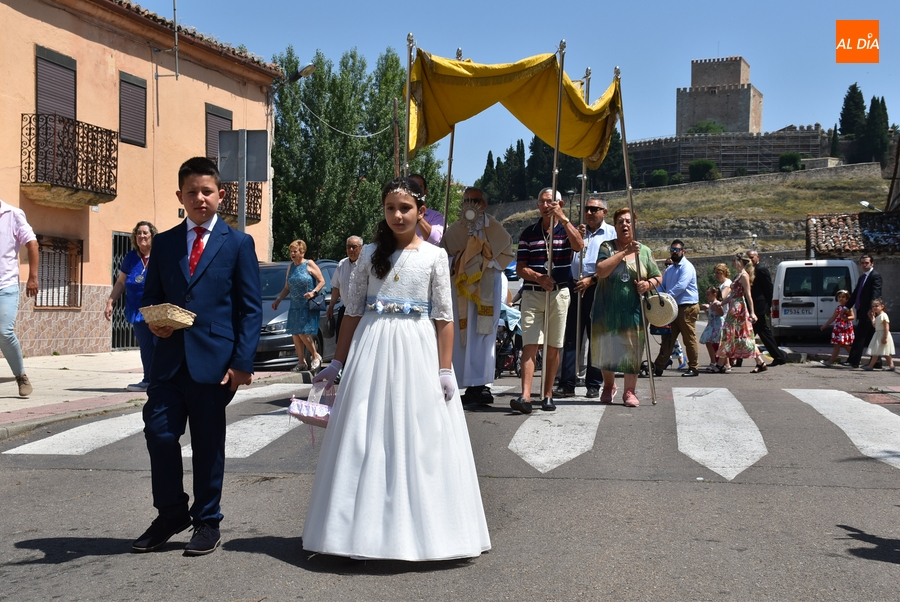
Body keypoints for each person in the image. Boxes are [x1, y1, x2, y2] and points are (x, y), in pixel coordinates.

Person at [305, 177, 490, 561]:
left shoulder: (435, 256)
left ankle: (430, 534)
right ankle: (360, 533)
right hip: (372, 352)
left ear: (421, 211)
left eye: (405, 208)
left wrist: (444, 369)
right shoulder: (370, 254)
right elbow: (352, 313)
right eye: (390, 208)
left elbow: (444, 317)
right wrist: (337, 361)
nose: (397, 215)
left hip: (418, 351)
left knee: (420, 437)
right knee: (366, 434)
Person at [132, 157, 262, 556]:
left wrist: (241, 364)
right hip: (168, 361)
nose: (200, 198)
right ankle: (171, 513)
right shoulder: (167, 243)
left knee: (208, 445)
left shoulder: (238, 243)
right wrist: (154, 320)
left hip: (215, 364)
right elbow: (150, 296)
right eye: (192, 192)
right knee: (159, 432)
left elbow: (250, 308)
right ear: (180, 196)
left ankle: (207, 521)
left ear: (221, 195)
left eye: (207, 191)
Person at [510, 188, 584, 414]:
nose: (546, 206)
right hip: (533, 293)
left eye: (550, 202)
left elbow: (579, 246)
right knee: (529, 344)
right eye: (542, 202)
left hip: (560, 293)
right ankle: (524, 396)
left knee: (554, 346)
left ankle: (548, 394)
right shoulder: (529, 233)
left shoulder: (566, 229)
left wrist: (564, 218)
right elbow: (521, 268)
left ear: (559, 204)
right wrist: (538, 277)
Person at [442, 187, 513, 406]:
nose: (469, 204)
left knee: (483, 337)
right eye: (465, 200)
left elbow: (507, 252)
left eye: (474, 200)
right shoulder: (456, 229)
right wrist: (463, 260)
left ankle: (481, 386)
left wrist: (486, 262)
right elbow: (443, 255)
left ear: (483, 204)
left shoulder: (494, 227)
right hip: (462, 289)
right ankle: (463, 382)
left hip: (486, 287)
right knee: (463, 335)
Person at [590, 208, 661, 407]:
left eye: (628, 221)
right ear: (615, 226)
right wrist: (624, 253)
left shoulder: (644, 251)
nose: (625, 225)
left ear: (634, 225)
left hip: (634, 310)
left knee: (632, 349)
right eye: (620, 221)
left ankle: (629, 391)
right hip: (607, 309)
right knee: (608, 346)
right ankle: (608, 386)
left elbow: (658, 276)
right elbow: (601, 271)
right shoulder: (607, 247)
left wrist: (648, 284)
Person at [557, 195, 616, 398]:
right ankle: (567, 382)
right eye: (587, 209)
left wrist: (591, 280)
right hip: (574, 285)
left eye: (594, 209)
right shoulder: (578, 231)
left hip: (597, 287)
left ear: (604, 212)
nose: (589, 213)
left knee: (595, 336)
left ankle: (593, 383)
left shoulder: (610, 234)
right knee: (571, 337)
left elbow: (612, 264)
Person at [105, 221, 158, 392]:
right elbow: (121, 282)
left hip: (156, 310)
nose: (142, 236)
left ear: (152, 235)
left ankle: (162, 381)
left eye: (145, 233)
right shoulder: (130, 257)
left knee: (160, 344)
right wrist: (110, 301)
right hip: (137, 310)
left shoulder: (160, 255)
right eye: (139, 233)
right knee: (146, 346)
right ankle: (148, 380)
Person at [0, 199, 38, 398]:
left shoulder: (12, 214)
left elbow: (32, 243)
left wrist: (32, 276)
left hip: (5, 285)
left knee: (3, 332)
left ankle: (21, 376)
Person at [271, 239, 325, 372]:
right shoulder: (291, 267)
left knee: (302, 332)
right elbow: (287, 287)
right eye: (291, 252)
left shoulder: (309, 264)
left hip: (307, 305)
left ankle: (315, 355)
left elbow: (322, 281)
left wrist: (313, 292)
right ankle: (301, 361)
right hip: (294, 306)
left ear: (302, 252)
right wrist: (278, 299)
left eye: (295, 251)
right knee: (295, 334)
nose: (292, 254)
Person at [652, 239, 700, 377]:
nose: (674, 252)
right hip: (672, 308)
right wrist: (657, 296)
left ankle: (693, 367)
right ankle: (659, 367)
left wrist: (666, 298)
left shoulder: (687, 267)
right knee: (668, 338)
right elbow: (663, 285)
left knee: (688, 338)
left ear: (683, 251)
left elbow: (681, 286)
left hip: (687, 307)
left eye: (677, 250)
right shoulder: (670, 269)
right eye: (672, 250)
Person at [714, 252, 768, 374]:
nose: (732, 263)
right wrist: (721, 303)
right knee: (737, 336)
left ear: (740, 261)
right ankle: (760, 362)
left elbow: (748, 295)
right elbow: (732, 295)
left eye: (734, 260)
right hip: (735, 306)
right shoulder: (738, 275)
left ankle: (720, 364)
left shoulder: (744, 275)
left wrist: (752, 312)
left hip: (739, 309)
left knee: (733, 335)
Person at [746, 250, 787, 366]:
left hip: (759, 307)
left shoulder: (761, 270)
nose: (750, 260)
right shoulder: (748, 271)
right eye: (748, 258)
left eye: (752, 257)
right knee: (761, 333)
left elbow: (768, 290)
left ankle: (736, 358)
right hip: (753, 307)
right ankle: (778, 357)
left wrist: (770, 307)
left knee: (749, 333)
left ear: (757, 257)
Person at [847, 255, 883, 368]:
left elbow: (875, 293)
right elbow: (856, 293)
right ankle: (876, 362)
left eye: (866, 263)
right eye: (862, 263)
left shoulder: (875, 276)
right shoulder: (862, 277)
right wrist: (846, 307)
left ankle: (854, 361)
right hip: (862, 311)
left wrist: (872, 309)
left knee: (861, 336)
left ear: (872, 263)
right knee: (871, 337)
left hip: (869, 312)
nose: (864, 265)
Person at [326, 235, 362, 339]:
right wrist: (331, 306)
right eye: (348, 247)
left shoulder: (365, 265)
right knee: (341, 341)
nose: (351, 250)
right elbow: (336, 287)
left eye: (354, 247)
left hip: (361, 313)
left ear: (361, 248)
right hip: (345, 310)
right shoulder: (342, 264)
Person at [819, 289, 854, 366]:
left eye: (843, 297)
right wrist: (825, 325)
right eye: (839, 297)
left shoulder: (848, 308)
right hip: (838, 328)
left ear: (847, 298)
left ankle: (854, 357)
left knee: (843, 344)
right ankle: (854, 357)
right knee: (838, 345)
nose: (841, 298)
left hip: (844, 328)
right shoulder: (838, 308)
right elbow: (833, 317)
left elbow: (853, 316)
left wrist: (846, 318)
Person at [408, 173, 445, 245]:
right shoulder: (398, 214)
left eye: (419, 187)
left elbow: (435, 241)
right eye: (411, 186)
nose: (414, 190)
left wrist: (418, 217)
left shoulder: (436, 216)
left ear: (425, 192)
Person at [862, 298, 895, 371]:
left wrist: (885, 337)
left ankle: (870, 366)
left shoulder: (884, 315)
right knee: (883, 352)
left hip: (882, 334)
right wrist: (872, 317)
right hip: (878, 334)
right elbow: (875, 325)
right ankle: (891, 366)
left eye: (876, 306)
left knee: (878, 352)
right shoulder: (878, 316)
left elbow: (887, 327)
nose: (874, 308)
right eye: (873, 306)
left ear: (882, 306)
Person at [700, 285, 725, 372]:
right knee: (709, 342)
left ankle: (719, 362)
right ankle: (713, 361)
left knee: (718, 344)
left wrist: (716, 308)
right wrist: (706, 310)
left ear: (715, 294)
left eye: (708, 294)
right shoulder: (711, 304)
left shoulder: (716, 303)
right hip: (711, 325)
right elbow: (710, 316)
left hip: (717, 325)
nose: (707, 296)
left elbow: (721, 313)